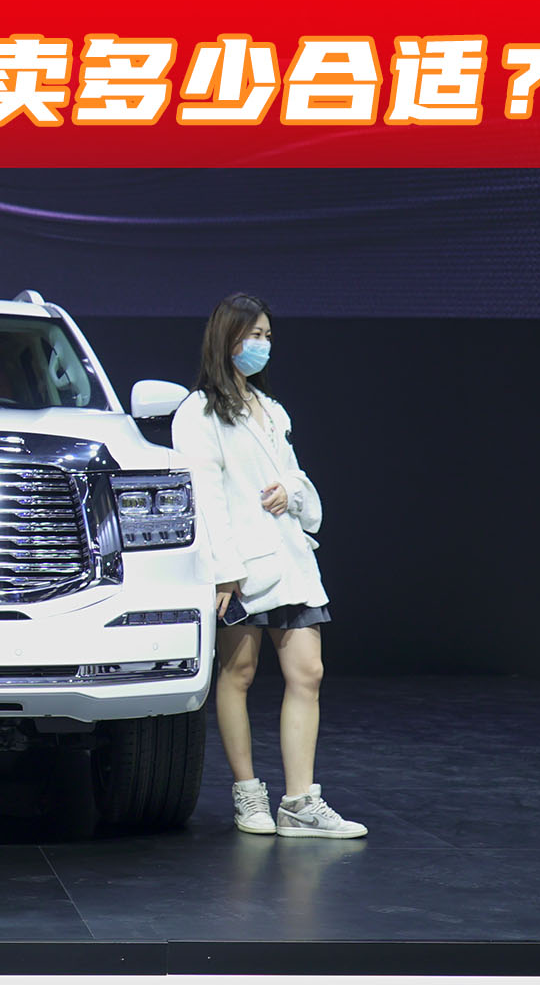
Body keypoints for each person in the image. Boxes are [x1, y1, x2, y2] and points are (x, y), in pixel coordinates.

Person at [171, 293, 366, 840]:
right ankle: (247, 794)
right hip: (239, 567)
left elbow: (295, 474)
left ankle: (300, 801)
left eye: (268, 336)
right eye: (254, 334)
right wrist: (224, 569)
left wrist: (291, 491)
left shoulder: (272, 409)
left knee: (309, 672)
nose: (262, 344)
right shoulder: (199, 412)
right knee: (238, 674)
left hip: (288, 558)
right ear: (227, 337)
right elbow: (204, 496)